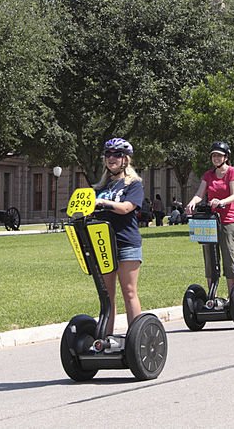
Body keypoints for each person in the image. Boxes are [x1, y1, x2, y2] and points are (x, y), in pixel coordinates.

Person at [93, 137, 144, 336]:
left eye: (117, 154)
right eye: (108, 154)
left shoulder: (133, 185)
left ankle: (136, 338)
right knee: (107, 295)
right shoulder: (100, 188)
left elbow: (126, 208)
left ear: (125, 160)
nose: (111, 158)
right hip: (103, 243)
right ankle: (105, 338)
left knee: (129, 291)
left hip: (126, 243)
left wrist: (105, 204)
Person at [185, 141, 234, 294]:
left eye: (219, 155)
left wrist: (220, 202)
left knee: (229, 255)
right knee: (210, 257)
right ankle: (212, 295)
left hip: (227, 220)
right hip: (210, 221)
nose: (216, 158)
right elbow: (199, 194)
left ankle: (232, 295)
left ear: (226, 157)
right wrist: (192, 202)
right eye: (213, 155)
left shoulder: (232, 172)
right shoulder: (208, 175)